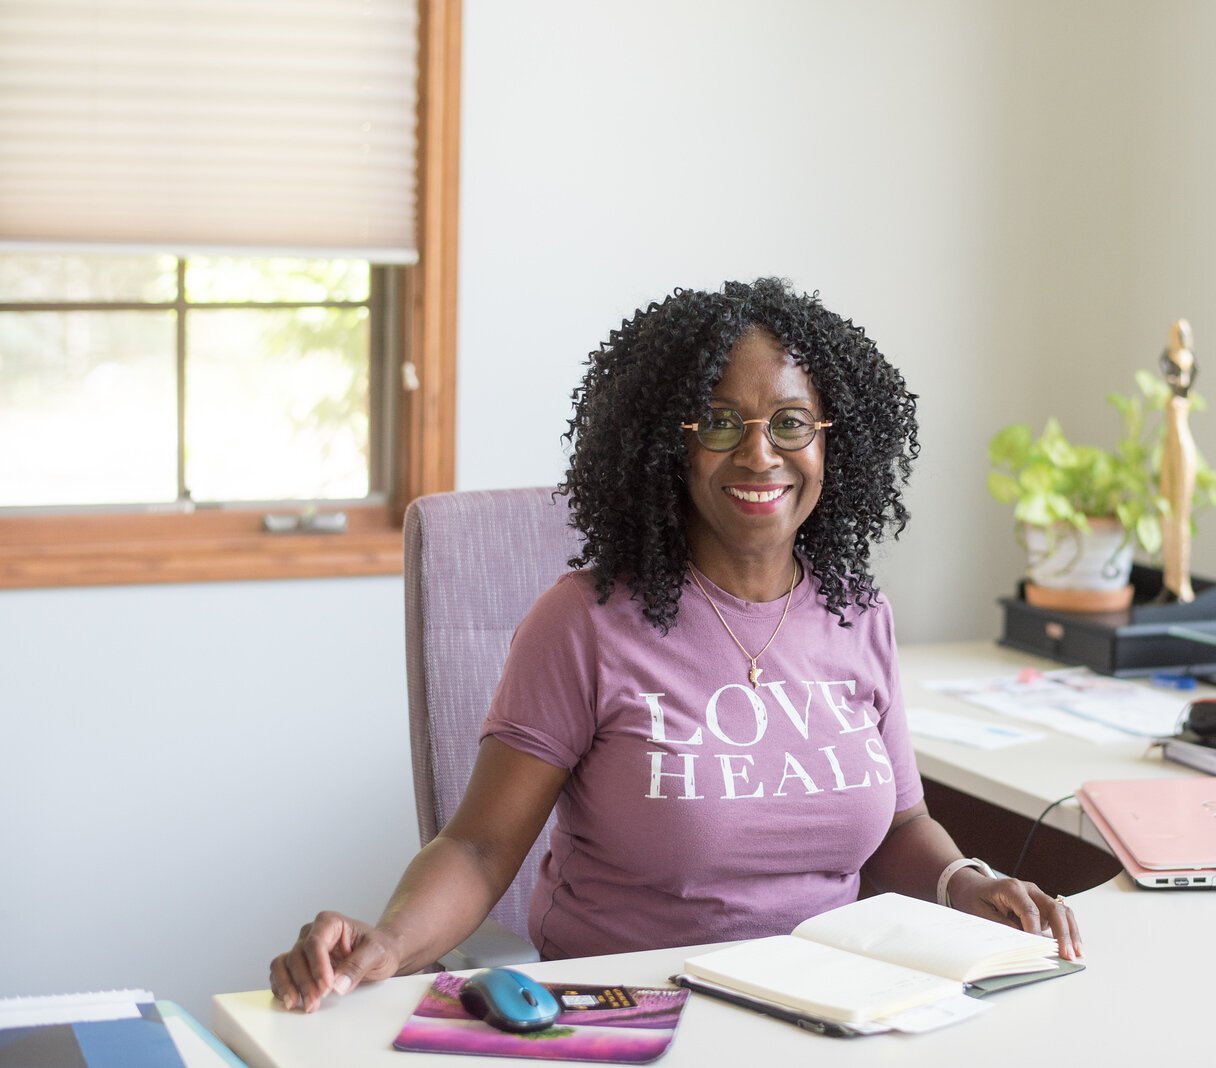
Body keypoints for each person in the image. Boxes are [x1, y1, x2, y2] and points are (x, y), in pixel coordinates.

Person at [270, 277, 1082, 1012]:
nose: (759, 453)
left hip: (832, 1008)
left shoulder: (857, 613)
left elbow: (901, 828)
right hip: (641, 1012)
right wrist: (387, 944)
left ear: (832, 440)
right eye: (721, 422)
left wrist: (967, 882)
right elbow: (481, 849)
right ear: (670, 442)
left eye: (790, 422)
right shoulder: (584, 622)